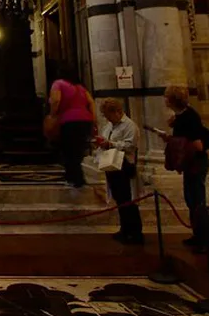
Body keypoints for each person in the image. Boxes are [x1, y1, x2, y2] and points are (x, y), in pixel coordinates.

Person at [159, 84, 209, 254]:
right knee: (191, 200)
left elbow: (197, 145)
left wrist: (174, 142)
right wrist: (170, 138)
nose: (164, 100)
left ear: (172, 100)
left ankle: (207, 242)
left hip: (196, 163)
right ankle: (198, 236)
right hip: (190, 163)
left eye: (166, 97)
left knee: (198, 202)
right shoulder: (181, 116)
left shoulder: (190, 117)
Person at [95, 98, 143, 244]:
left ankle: (135, 233)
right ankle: (125, 229)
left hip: (124, 166)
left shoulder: (129, 126)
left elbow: (130, 146)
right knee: (119, 199)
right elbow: (105, 139)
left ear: (117, 111)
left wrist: (110, 143)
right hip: (112, 166)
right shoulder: (110, 125)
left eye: (107, 114)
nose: (106, 118)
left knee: (128, 200)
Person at [48, 66, 94, 188]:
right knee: (78, 149)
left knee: (68, 149)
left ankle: (75, 177)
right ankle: (74, 176)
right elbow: (91, 102)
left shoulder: (58, 84)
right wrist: (94, 121)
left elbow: (56, 100)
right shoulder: (81, 88)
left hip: (69, 120)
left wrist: (52, 115)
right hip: (85, 120)